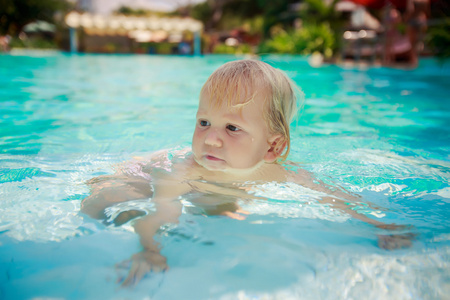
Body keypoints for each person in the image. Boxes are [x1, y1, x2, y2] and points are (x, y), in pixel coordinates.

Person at [81, 59, 413, 287]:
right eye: (204, 122)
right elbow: (164, 208)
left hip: (218, 194)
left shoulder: (277, 172)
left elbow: (333, 197)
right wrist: (151, 250)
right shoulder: (185, 169)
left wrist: (380, 225)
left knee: (223, 211)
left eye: (232, 128)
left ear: (272, 148)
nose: (211, 138)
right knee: (105, 200)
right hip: (146, 174)